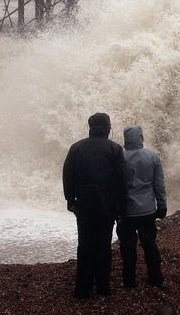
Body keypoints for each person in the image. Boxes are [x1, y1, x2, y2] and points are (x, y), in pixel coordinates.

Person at [62, 112, 128, 299]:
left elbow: (67, 175)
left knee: (84, 245)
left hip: (84, 205)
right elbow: (122, 181)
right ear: (107, 128)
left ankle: (82, 289)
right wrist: (122, 207)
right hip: (107, 206)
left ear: (90, 128)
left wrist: (70, 200)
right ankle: (102, 288)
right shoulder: (115, 149)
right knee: (103, 245)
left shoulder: (76, 148)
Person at [118, 125, 167, 289]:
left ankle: (129, 281)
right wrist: (162, 205)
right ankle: (156, 278)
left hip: (126, 211)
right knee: (150, 245)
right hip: (147, 210)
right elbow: (158, 185)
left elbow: (114, 185)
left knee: (127, 247)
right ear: (141, 138)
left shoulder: (119, 158)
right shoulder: (152, 157)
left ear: (126, 139)